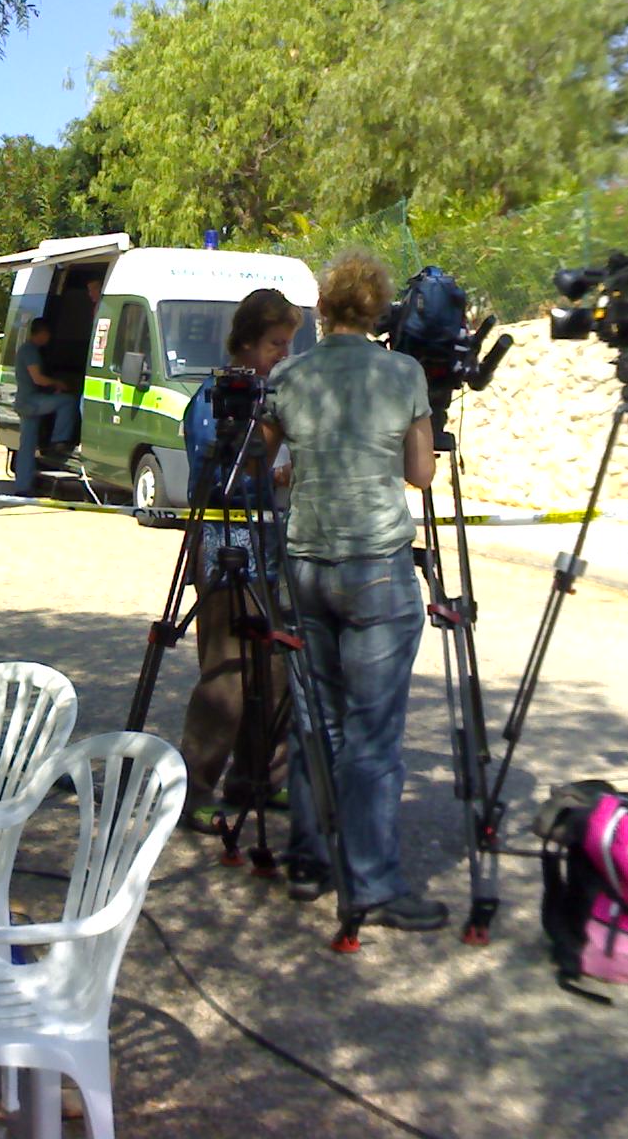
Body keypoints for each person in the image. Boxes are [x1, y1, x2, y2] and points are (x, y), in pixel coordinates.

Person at [263, 248, 444, 931]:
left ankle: (308, 859)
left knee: (317, 719)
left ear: (322, 308)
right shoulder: (402, 372)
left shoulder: (289, 374)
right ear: (378, 310)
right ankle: (371, 882)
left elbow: (261, 457)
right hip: (376, 565)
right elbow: (420, 474)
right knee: (372, 733)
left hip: (306, 562)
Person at [177, 289, 299, 834]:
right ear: (247, 341)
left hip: (268, 547)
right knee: (226, 675)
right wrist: (268, 468)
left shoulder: (272, 396)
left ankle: (260, 779)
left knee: (274, 671)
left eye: (288, 343)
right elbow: (221, 478)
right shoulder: (213, 399)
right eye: (276, 343)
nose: (284, 354)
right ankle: (195, 788)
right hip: (225, 544)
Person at [11, 317, 78, 496]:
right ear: (42, 333)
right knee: (68, 401)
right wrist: (58, 384)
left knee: (27, 447)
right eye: (48, 334)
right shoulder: (30, 351)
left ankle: (22, 487)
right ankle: (59, 440)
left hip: (25, 401)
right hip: (31, 401)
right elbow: (38, 378)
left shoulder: (26, 349)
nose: (49, 338)